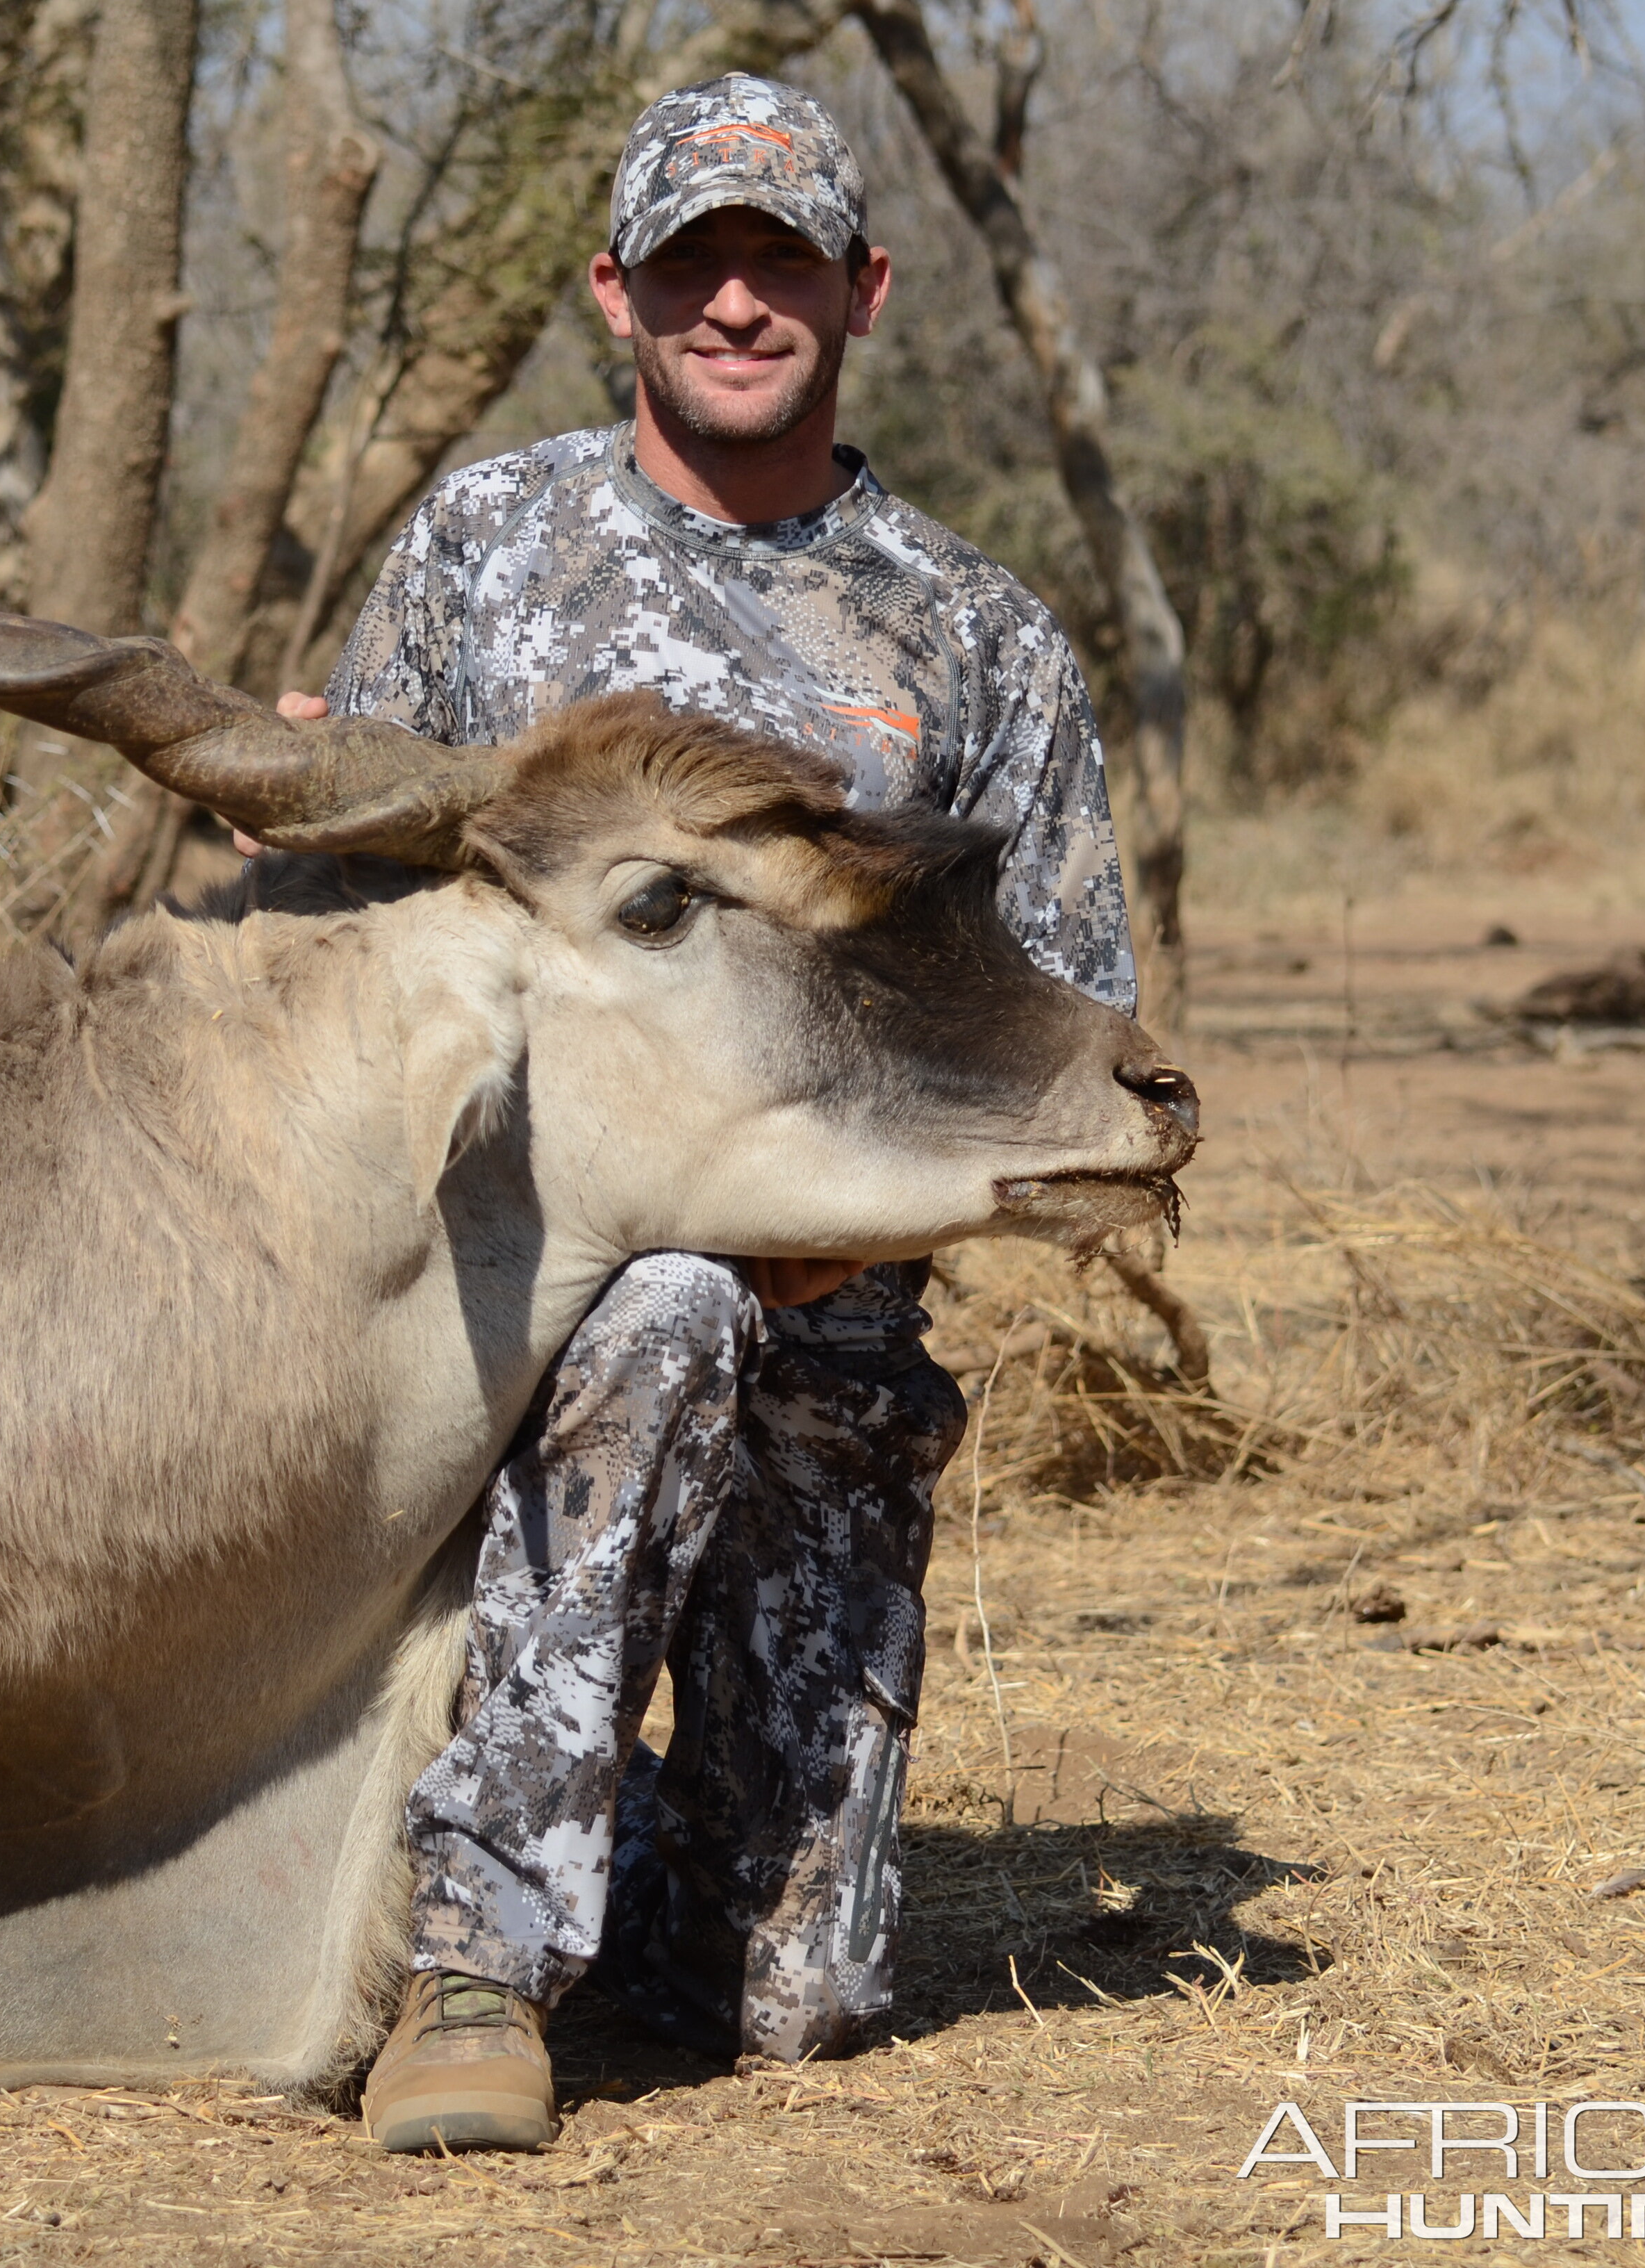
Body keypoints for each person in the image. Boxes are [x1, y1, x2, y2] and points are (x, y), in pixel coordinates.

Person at [286, 74, 1139, 2154]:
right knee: (657, 1294)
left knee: (794, 2001)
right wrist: (296, 792)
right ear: (614, 291)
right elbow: (342, 909)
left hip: (833, 1345)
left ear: (859, 289)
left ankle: (539, 1810)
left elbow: (1071, 1046)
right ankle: (474, 1960)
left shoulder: (976, 637)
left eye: (778, 262)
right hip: (523, 1307)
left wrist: (847, 1226)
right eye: (691, 263)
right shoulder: (486, 546)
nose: (733, 301)